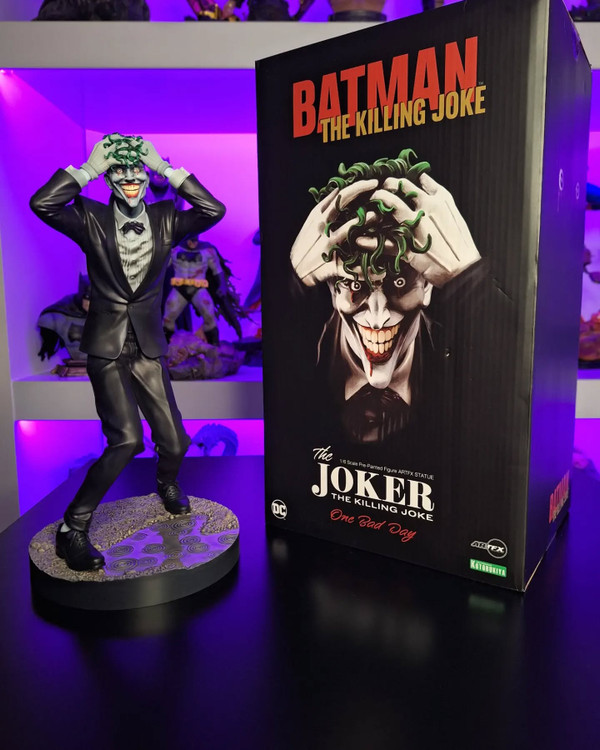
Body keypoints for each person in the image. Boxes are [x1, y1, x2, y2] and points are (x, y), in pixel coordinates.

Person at [30, 133, 225, 571]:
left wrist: (165, 168)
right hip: (107, 345)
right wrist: (87, 168)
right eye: (120, 170)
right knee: (126, 440)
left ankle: (166, 482)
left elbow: (213, 210)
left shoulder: (166, 217)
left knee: (175, 441)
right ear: (109, 177)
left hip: (148, 345)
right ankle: (72, 528)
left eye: (137, 169)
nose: (131, 177)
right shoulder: (90, 217)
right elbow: (43, 204)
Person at [290, 150, 481, 443]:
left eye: (399, 283)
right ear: (332, 289)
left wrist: (468, 277)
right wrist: (295, 283)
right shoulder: (299, 353)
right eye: (355, 286)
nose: (378, 318)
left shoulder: (465, 361)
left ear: (428, 286)